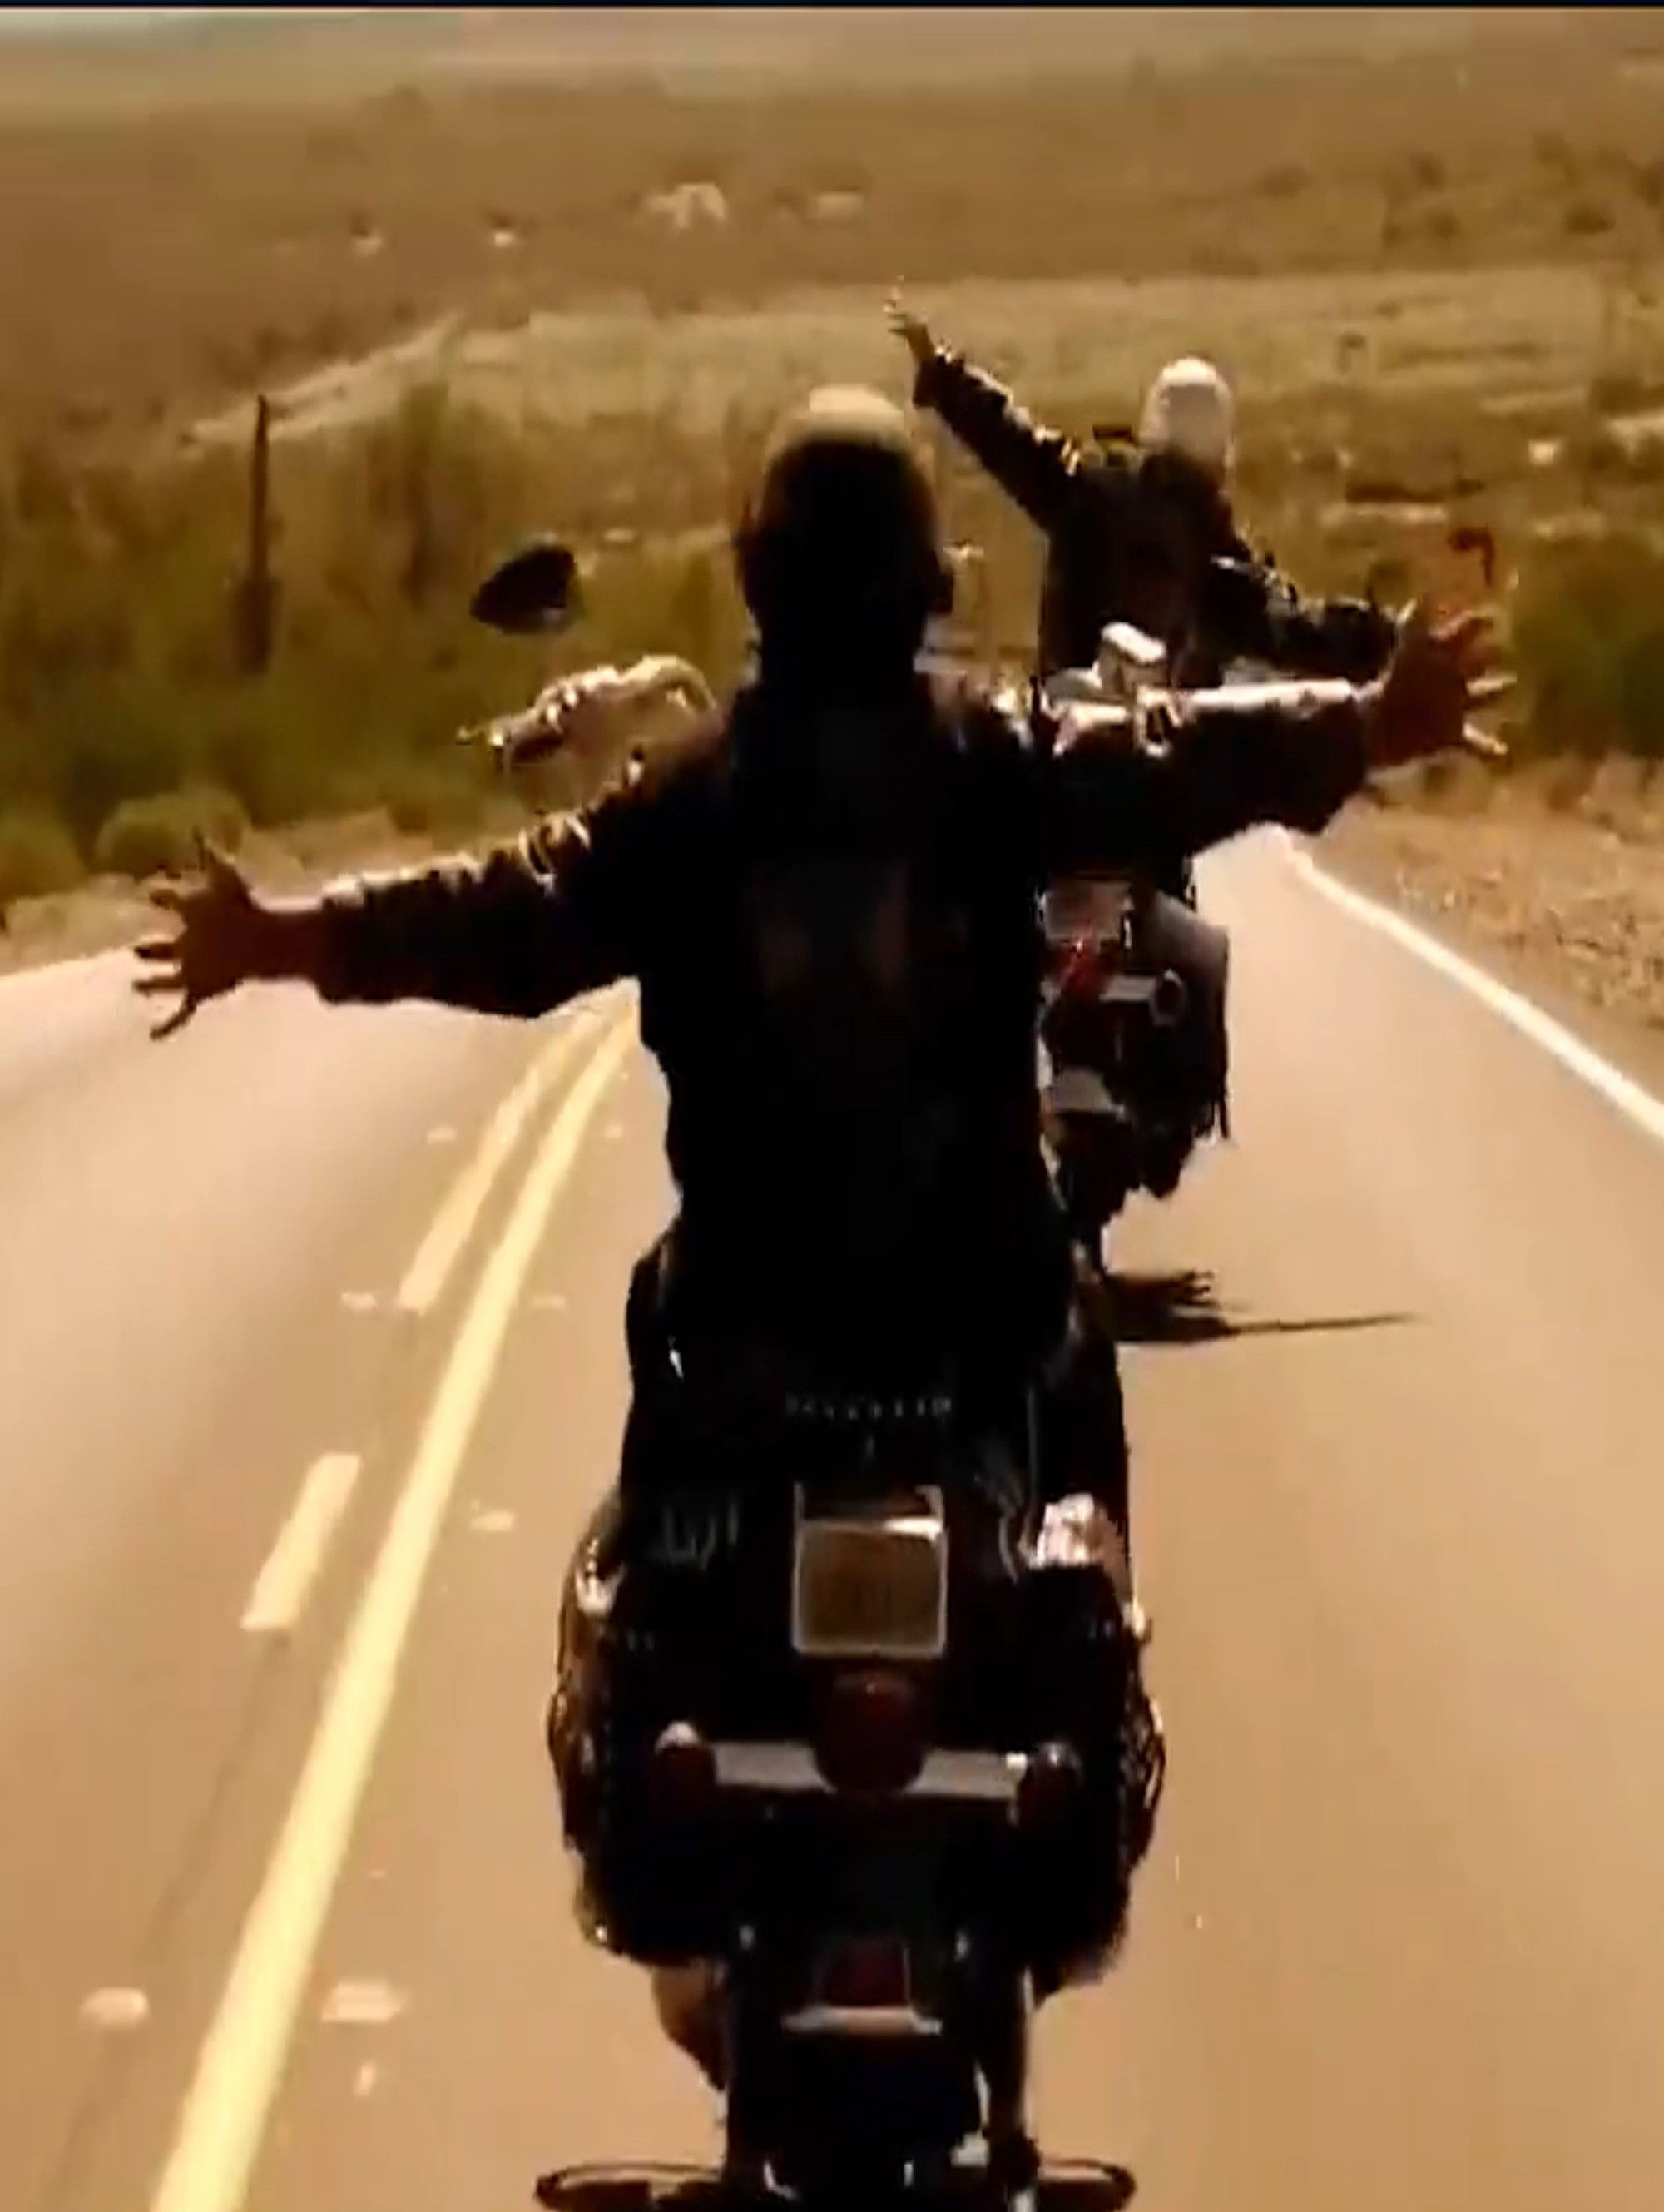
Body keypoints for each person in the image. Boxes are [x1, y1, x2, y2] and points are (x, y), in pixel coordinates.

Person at [135, 384, 1498, 2081]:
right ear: (923, 580)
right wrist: (1367, 720)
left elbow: (502, 915)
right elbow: (1171, 766)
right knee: (1072, 1403)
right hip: (975, 1309)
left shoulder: (692, 801)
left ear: (758, 577)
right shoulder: (988, 763)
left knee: (658, 1438)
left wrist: (283, 937)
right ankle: (1090, 1725)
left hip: (752, 1324)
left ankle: (682, 1726)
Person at [887, 296, 1398, 692]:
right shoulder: (1219, 560)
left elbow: (1009, 438)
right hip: (1153, 769)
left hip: (1061, 745)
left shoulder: (1084, 491)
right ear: (1220, 454)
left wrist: (941, 371)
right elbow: (1299, 631)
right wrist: (1386, 638)